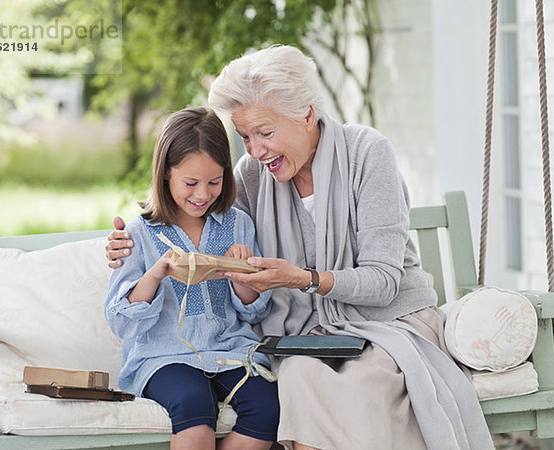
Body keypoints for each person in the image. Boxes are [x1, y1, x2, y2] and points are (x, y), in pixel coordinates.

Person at [107, 46, 493, 449]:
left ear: (306, 114)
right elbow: (203, 226)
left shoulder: (367, 152)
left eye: (265, 133)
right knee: (298, 378)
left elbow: (383, 283)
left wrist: (302, 279)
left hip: (391, 323)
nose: (255, 150)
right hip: (308, 334)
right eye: (244, 137)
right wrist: (127, 242)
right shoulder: (253, 174)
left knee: (358, 387)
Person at [104, 107, 279, 450]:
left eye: (214, 182)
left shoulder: (238, 224)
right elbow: (121, 321)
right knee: (193, 404)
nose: (202, 194)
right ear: (165, 174)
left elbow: (254, 311)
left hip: (230, 349)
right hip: (164, 356)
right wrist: (155, 275)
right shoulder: (139, 232)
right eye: (190, 183)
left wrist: (241, 275)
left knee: (267, 407)